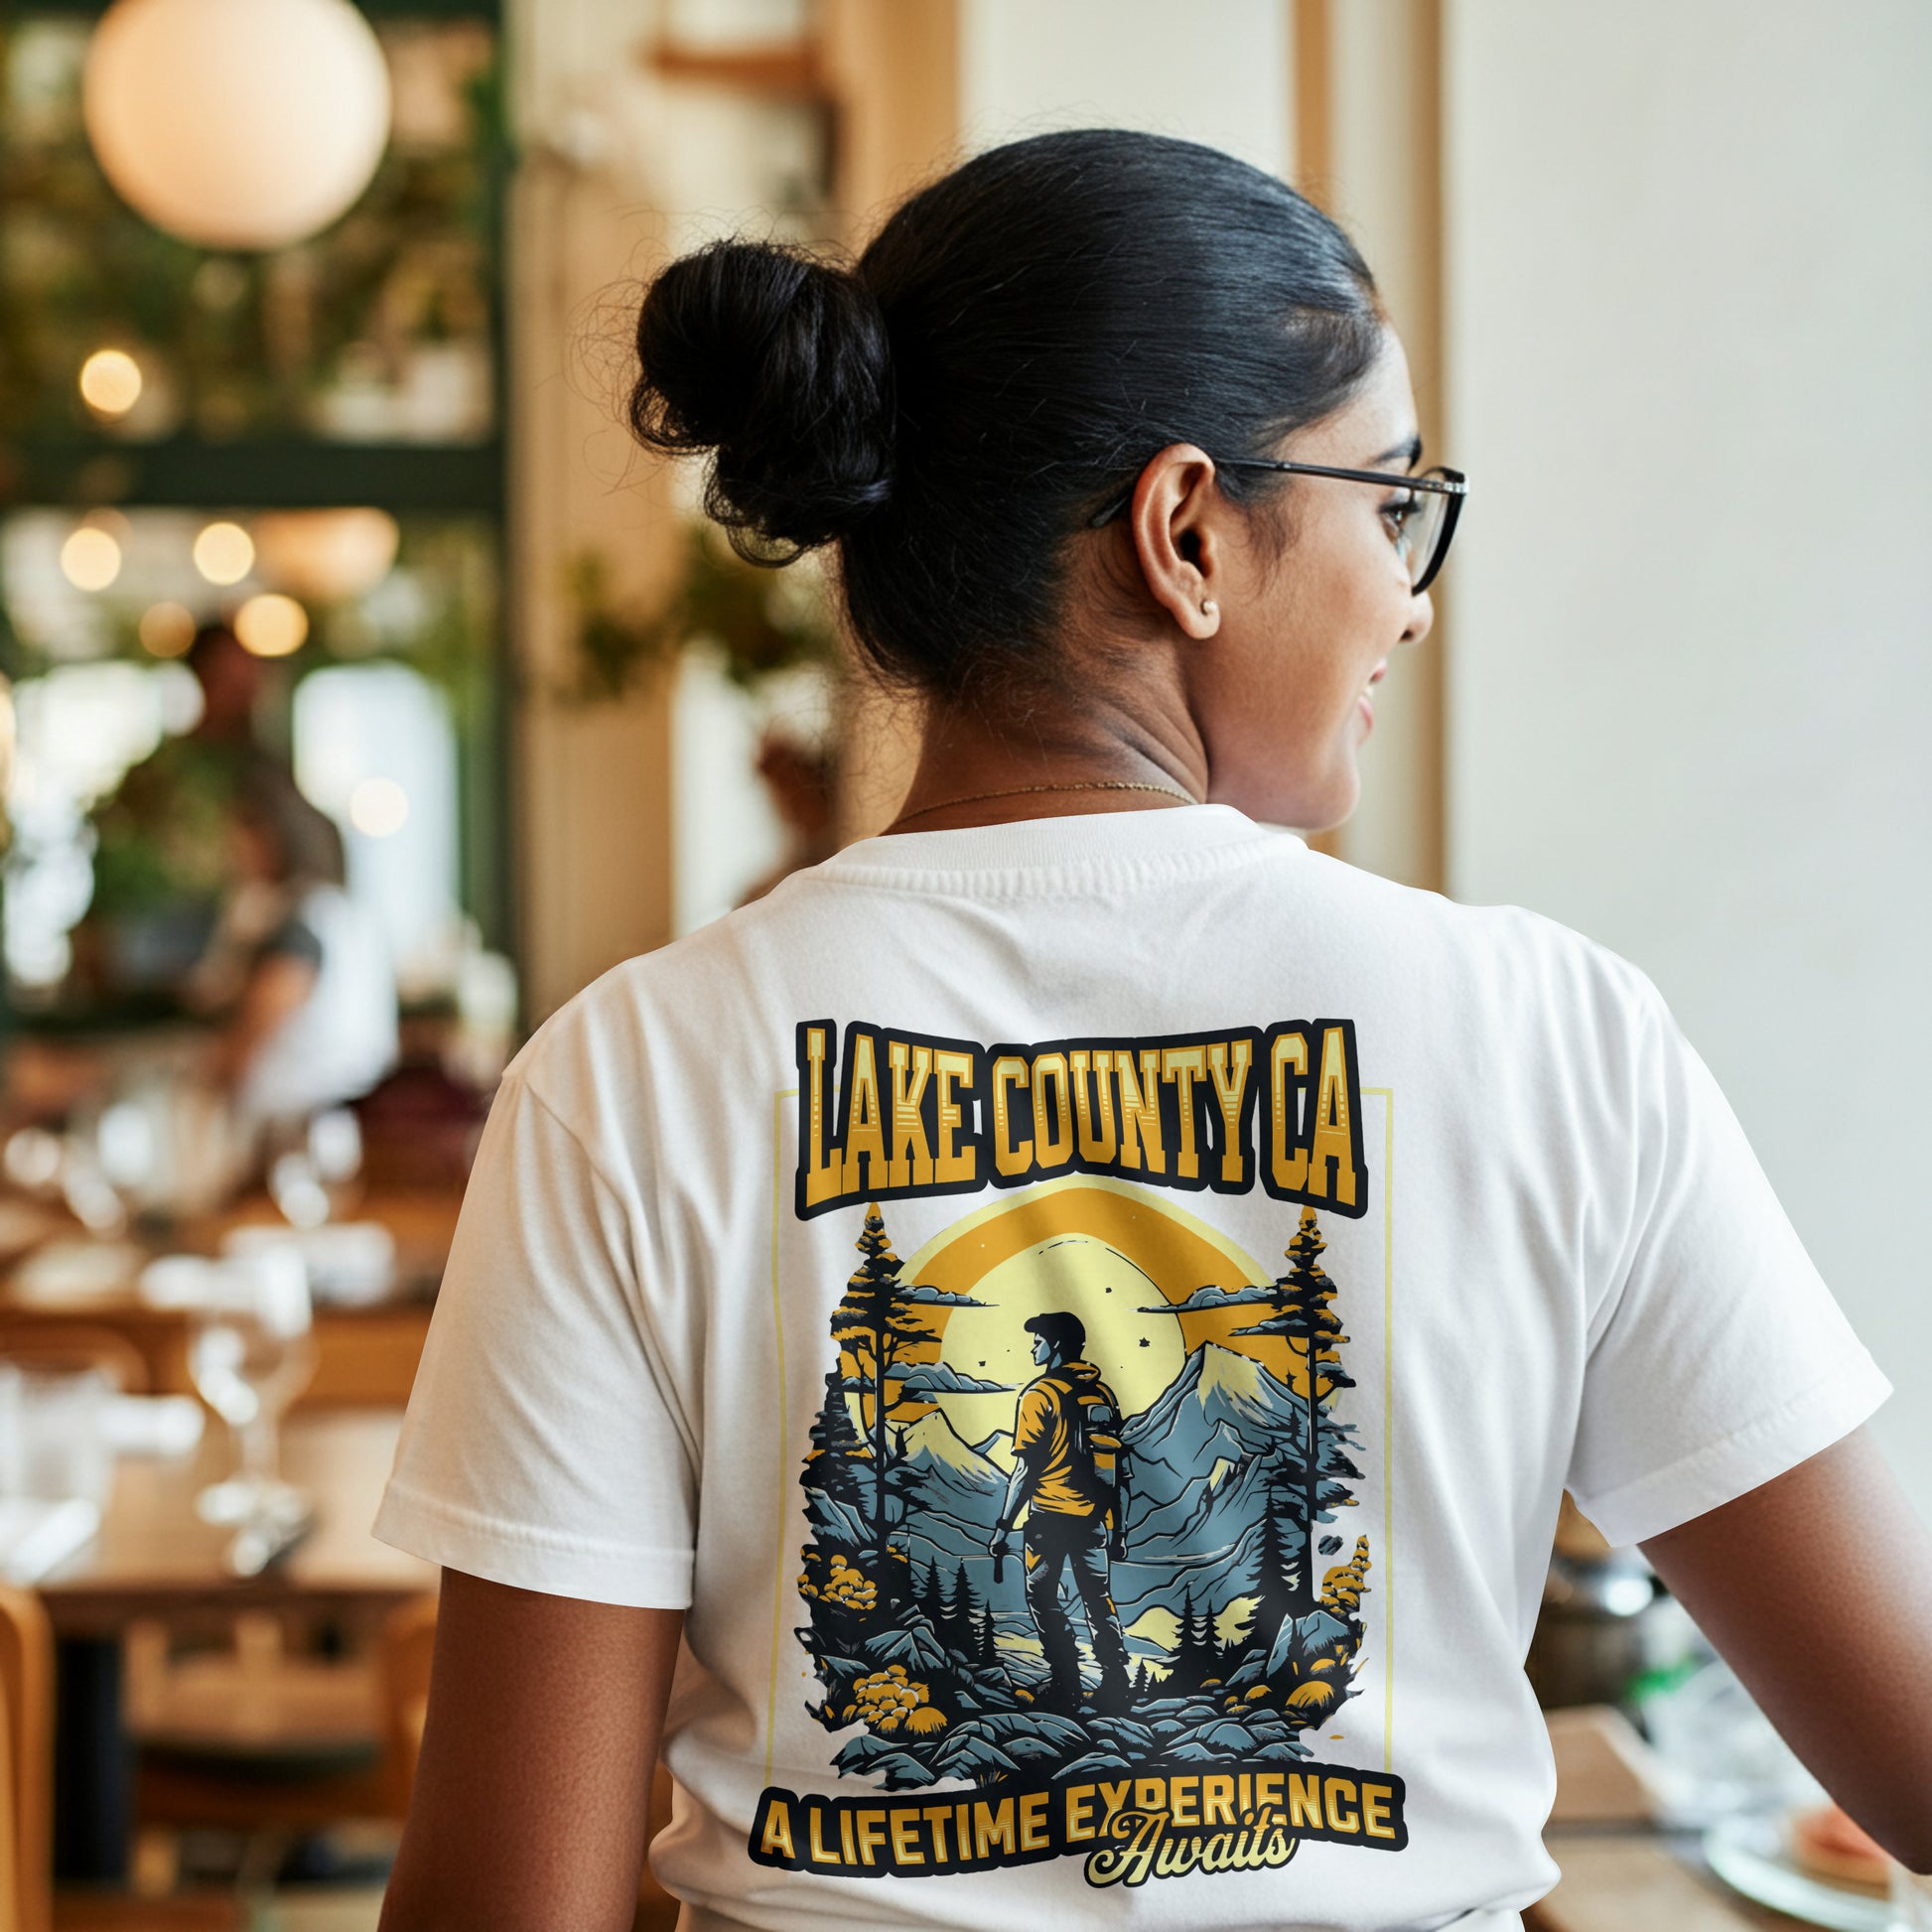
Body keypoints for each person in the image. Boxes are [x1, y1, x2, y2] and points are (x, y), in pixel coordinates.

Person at [375, 130, 1932, 1932]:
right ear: (1187, 529)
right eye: (1389, 499)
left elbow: (510, 1908)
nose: (1412, 596)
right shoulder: (1549, 1032)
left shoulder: (626, 1078)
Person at [197, 767, 397, 1129]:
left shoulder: (299, 927)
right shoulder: (345, 914)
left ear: (271, 838)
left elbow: (246, 1047)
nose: (231, 851)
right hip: (352, 1112)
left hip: (292, 1120)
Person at [990, 1311, 1133, 1715]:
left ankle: (1066, 1684)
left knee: (1043, 1598)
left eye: (1037, 1341)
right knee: (1098, 1600)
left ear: (1053, 1345)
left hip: (1048, 1519)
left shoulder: (1039, 1396)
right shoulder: (1101, 1395)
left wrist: (1003, 1527)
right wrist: (1117, 1529)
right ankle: (1116, 1683)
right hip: (1092, 1521)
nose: (1032, 1347)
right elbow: (1114, 1470)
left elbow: (1025, 1470)